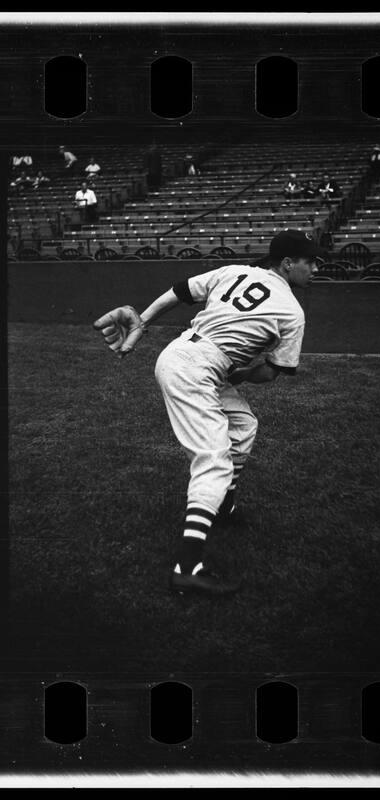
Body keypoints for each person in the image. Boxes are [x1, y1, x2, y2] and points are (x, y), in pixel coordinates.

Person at [93, 230, 324, 596]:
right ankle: (188, 567)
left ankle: (223, 506)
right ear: (286, 263)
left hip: (186, 355)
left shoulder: (233, 271)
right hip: (196, 369)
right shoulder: (292, 311)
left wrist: (144, 321)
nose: (315, 267)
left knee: (243, 424)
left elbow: (179, 292)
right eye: (309, 261)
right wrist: (246, 372)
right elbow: (270, 373)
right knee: (213, 459)